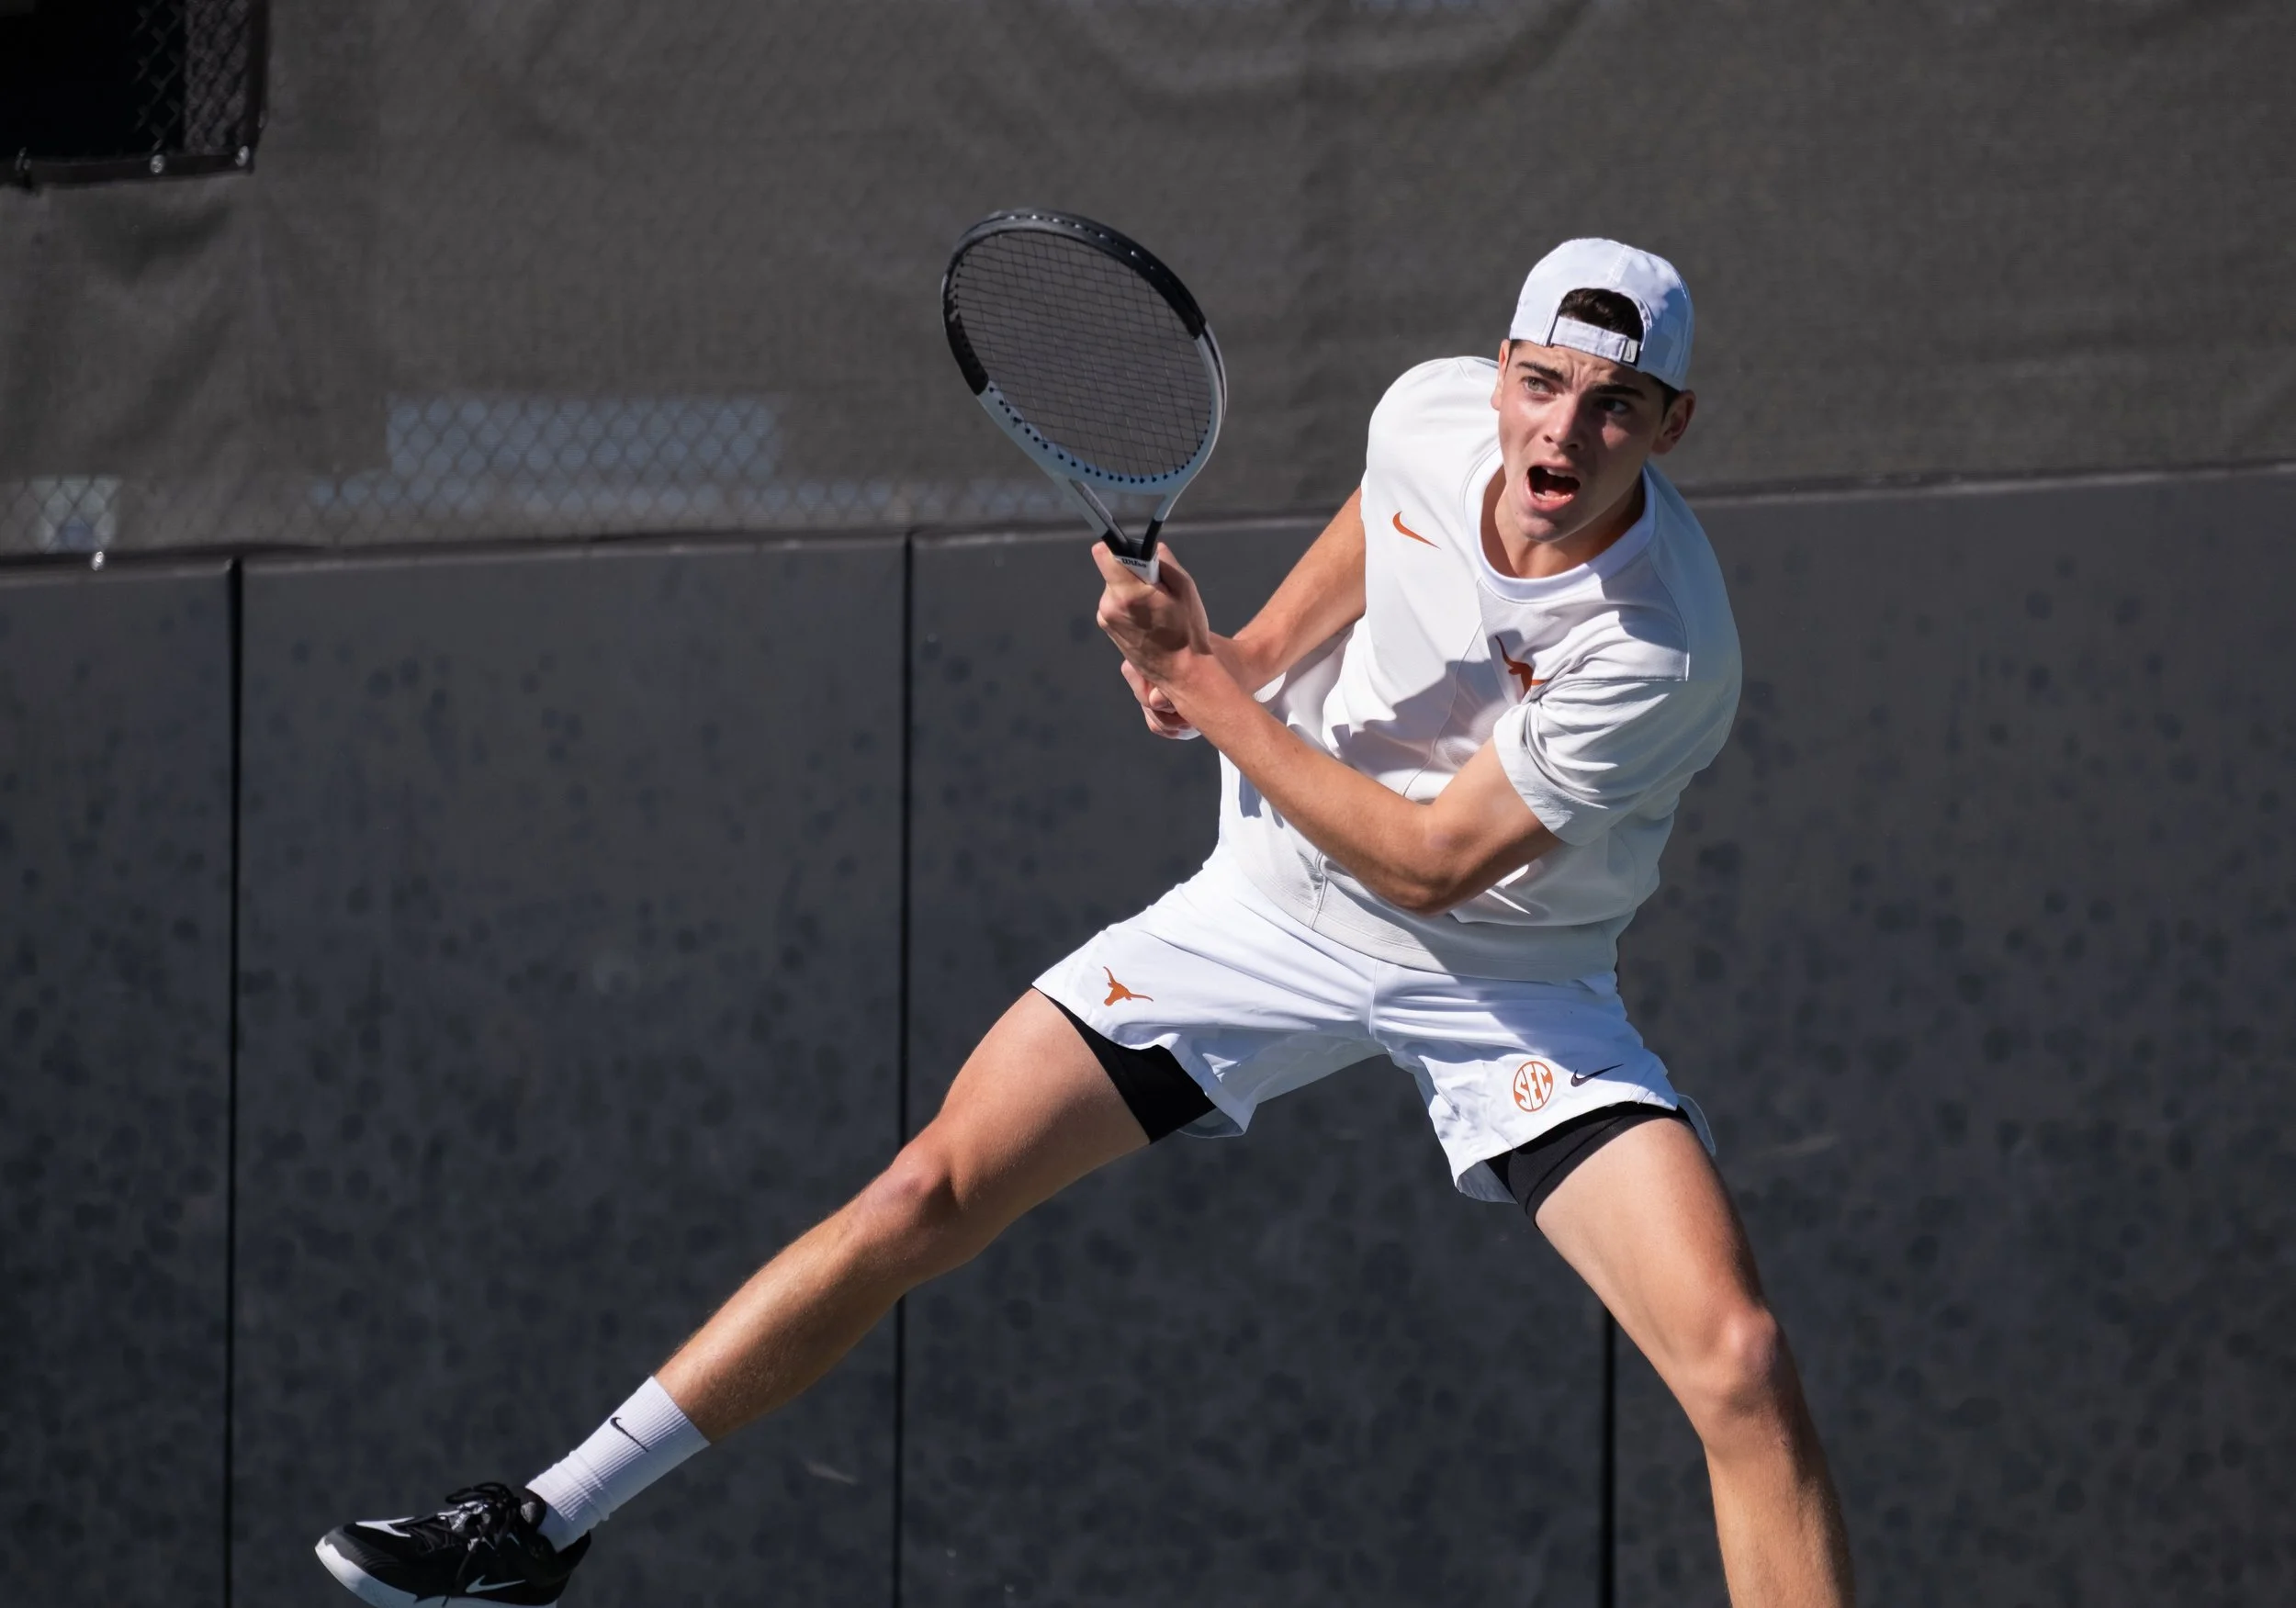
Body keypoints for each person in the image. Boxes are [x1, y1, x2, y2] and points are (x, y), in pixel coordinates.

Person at [314, 238, 1855, 1608]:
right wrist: (1244, 649)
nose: (1561, 431)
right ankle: (541, 1519)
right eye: (1542, 382)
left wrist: (1204, 692)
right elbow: (1385, 522)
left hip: (1508, 976)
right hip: (1269, 909)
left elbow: (1436, 861)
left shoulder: (1662, 645)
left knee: (1740, 1360)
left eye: (1611, 405)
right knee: (925, 1188)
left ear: (1669, 427)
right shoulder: (1430, 410)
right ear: (1501, 373)